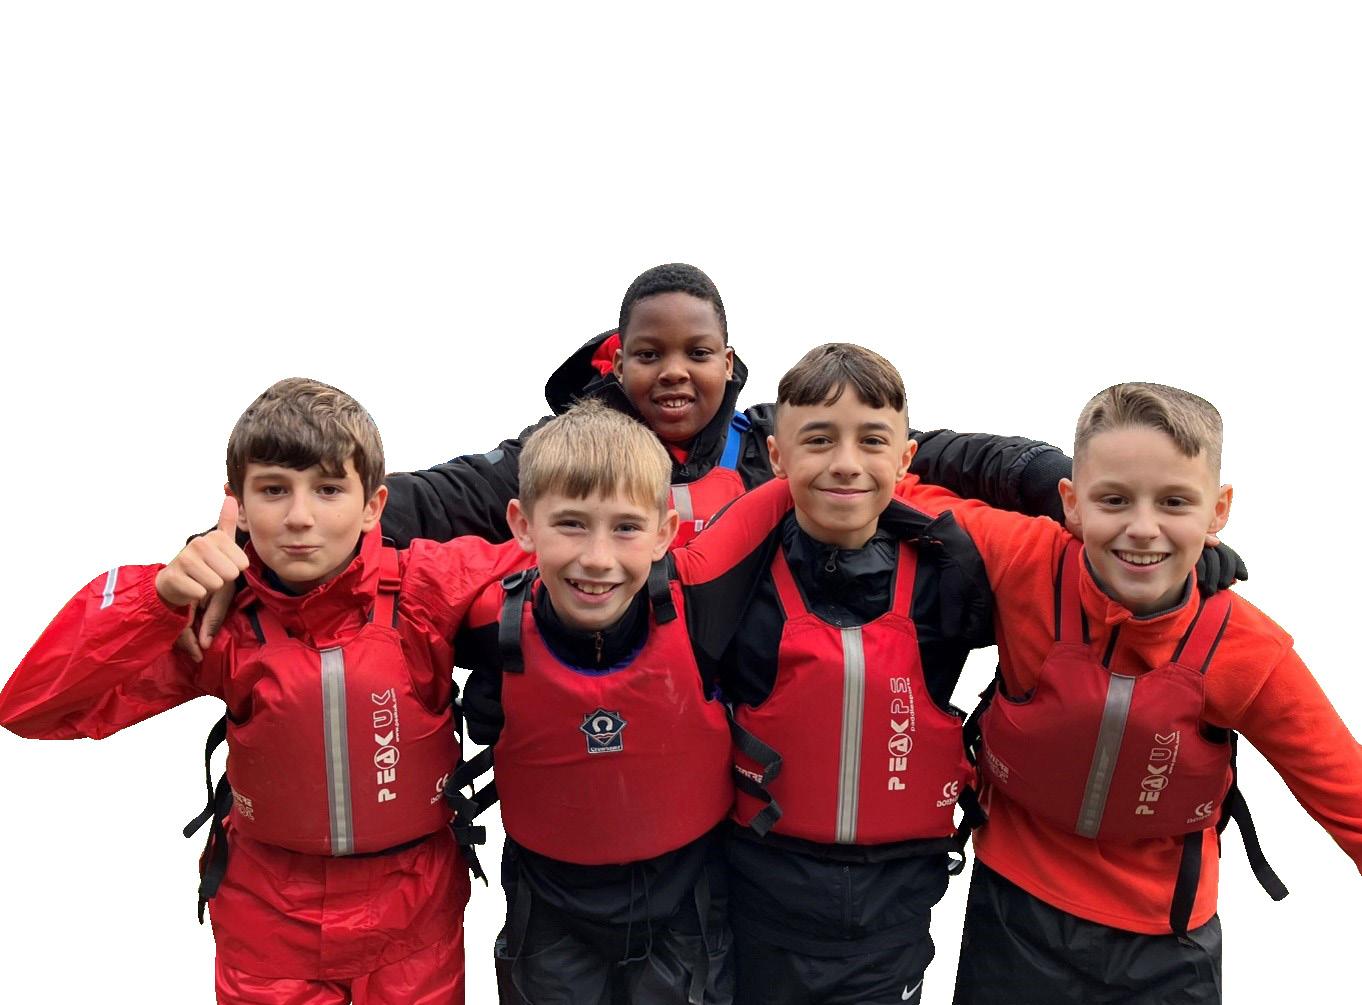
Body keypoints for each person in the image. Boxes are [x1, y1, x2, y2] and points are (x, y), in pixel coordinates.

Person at [0, 378, 528, 1005]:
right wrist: (154, 600)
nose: (300, 517)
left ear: (373, 506)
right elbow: (34, 709)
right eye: (274, 489)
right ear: (240, 507)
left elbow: (582, 556)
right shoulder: (215, 622)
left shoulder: (427, 587)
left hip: (415, 924)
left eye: (328, 489)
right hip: (269, 930)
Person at [919, 382, 1362, 1003]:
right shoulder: (1023, 562)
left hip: (1166, 944)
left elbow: (1349, 797)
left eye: (1175, 502)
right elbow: (877, 483)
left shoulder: (1245, 649)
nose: (1143, 529)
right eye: (1115, 500)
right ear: (1070, 504)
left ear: (1218, 512)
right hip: (1013, 913)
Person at [449, 398, 796, 1004]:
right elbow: (357, 556)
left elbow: (804, 483)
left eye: (626, 528)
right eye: (571, 524)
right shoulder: (484, 618)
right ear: (522, 525)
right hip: (549, 907)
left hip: (686, 901)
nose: (597, 559)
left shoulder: (700, 599)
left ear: (665, 533)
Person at [379, 263, 1070, 549]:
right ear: (618, 363)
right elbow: (439, 500)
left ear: (729, 362)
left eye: (698, 353)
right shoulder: (560, 453)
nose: (674, 372)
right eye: (649, 354)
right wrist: (334, 510)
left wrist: (1059, 481)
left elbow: (950, 455)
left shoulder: (779, 441)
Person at [720, 344, 1002, 1005]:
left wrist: (1190, 571)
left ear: (905, 459)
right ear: (777, 456)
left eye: (872, 441)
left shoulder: (952, 576)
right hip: (754, 908)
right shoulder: (733, 576)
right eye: (819, 440)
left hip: (893, 917)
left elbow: (1084, 572)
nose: (845, 462)